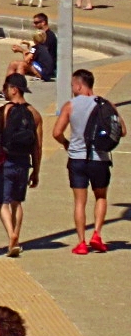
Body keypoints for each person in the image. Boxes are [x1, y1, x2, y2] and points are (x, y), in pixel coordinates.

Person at [50, 67, 117, 255]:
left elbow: (56, 132)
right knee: (101, 197)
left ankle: (81, 242)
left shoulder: (70, 106)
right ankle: (97, 234)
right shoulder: (106, 105)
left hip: (77, 159)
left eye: (73, 85)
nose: (72, 89)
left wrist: (66, 143)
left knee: (80, 202)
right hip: (100, 159)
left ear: (79, 85)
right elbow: (122, 130)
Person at [0, 73, 43, 258]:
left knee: (2, 202)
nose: (4, 91)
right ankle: (17, 238)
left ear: (14, 89)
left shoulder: (2, 112)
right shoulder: (34, 114)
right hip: (23, 162)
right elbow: (37, 147)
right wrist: (36, 171)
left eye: (6, 88)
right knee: (17, 202)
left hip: (5, 162)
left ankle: (10, 234)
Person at [6, 13, 56, 83]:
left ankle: (18, 86)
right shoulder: (42, 41)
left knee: (21, 65)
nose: (34, 25)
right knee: (13, 63)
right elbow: (37, 53)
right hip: (42, 66)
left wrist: (23, 51)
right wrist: (25, 49)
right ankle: (7, 86)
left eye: (36, 23)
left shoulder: (49, 37)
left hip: (45, 70)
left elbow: (27, 60)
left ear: (43, 22)